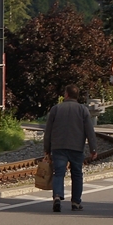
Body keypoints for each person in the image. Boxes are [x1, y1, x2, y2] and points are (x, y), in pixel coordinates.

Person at [43, 83, 99, 212]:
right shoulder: (82, 110)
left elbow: (48, 131)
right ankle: (75, 202)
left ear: (66, 94)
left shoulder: (56, 109)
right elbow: (90, 131)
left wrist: (47, 148)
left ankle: (57, 196)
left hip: (59, 147)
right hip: (76, 147)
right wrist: (93, 149)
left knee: (58, 173)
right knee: (77, 175)